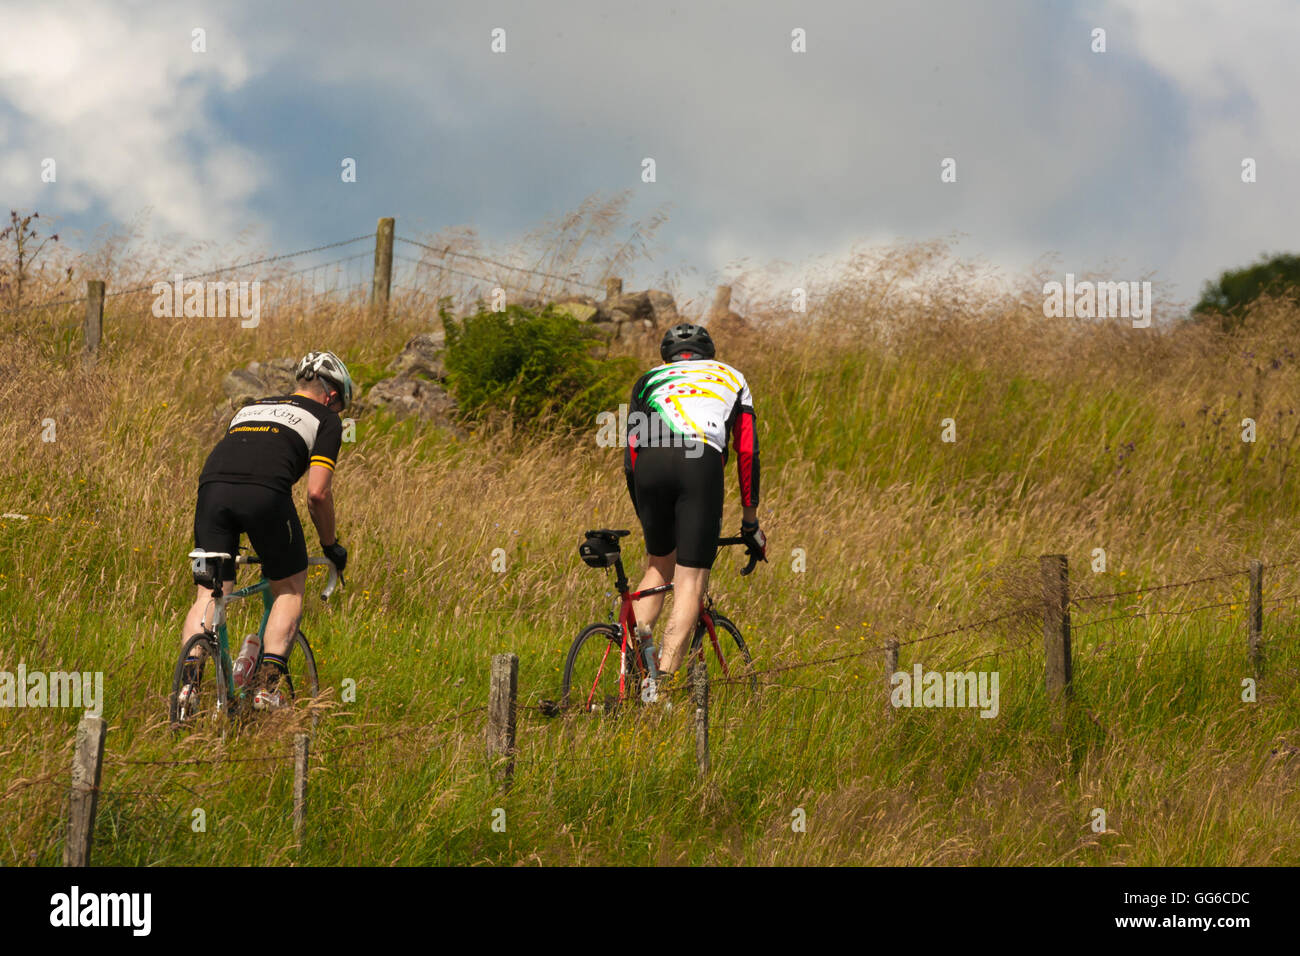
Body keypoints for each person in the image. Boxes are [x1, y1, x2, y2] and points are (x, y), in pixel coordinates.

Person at [179, 350, 352, 710]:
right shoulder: (326, 419)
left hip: (211, 488)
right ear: (332, 396)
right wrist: (331, 545)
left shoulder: (251, 408)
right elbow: (318, 494)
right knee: (289, 587)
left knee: (210, 594)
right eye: (340, 407)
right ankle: (267, 688)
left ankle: (187, 688)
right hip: (264, 493)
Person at [623, 323, 765, 698]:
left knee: (657, 566)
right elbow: (747, 451)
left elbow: (631, 454)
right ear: (709, 353)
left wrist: (647, 514)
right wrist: (750, 521)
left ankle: (628, 671)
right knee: (690, 581)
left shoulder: (648, 379)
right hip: (699, 462)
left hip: (650, 466)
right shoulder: (732, 377)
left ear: (667, 357)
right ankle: (659, 689)